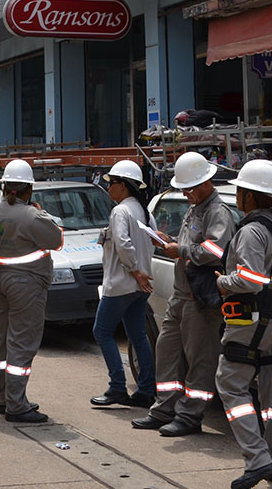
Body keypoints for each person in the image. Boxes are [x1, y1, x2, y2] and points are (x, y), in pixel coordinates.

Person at [133, 151, 235, 437]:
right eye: (184, 189)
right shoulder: (196, 208)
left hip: (199, 300)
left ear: (205, 183)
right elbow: (194, 244)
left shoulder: (217, 212)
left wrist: (182, 250)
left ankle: (190, 416)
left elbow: (217, 251)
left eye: (189, 188)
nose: (186, 194)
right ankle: (164, 409)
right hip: (181, 296)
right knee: (166, 352)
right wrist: (172, 242)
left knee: (200, 360)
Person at [216, 160, 272, 489]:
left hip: (253, 321)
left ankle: (258, 458)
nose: (237, 195)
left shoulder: (251, 231)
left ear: (250, 195)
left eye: (239, 190)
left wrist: (222, 281)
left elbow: (250, 280)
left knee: (230, 385)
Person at [0, 159, 65, 423]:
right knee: (23, 344)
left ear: (4, 187)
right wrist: (42, 214)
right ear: (29, 189)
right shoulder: (33, 215)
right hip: (26, 284)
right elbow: (58, 240)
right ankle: (17, 405)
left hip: (1, 280)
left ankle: (7, 399)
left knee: (6, 342)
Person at [90, 160, 158, 409]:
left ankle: (118, 387)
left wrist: (135, 270)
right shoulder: (144, 211)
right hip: (139, 286)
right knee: (138, 335)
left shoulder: (121, 211)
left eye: (112, 183)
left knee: (101, 331)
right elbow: (152, 242)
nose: (109, 187)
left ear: (124, 185)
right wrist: (141, 272)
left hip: (122, 285)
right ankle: (146, 390)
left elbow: (122, 243)